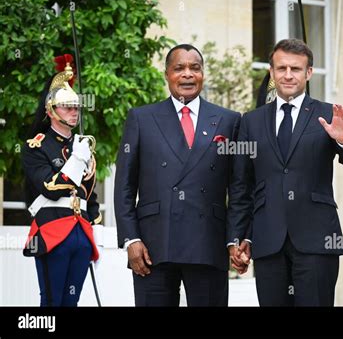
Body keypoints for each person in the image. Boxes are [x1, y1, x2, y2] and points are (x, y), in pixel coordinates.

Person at [227, 39, 343, 306]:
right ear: (271, 71)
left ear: (309, 73)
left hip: (318, 241)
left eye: (296, 69)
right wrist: (239, 237)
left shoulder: (327, 114)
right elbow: (241, 186)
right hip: (268, 243)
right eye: (281, 68)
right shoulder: (251, 121)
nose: (288, 75)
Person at [114, 44, 241, 306]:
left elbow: (239, 188)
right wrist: (131, 239)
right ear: (167, 74)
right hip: (152, 245)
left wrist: (235, 239)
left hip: (209, 242)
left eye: (195, 68)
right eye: (179, 68)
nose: (187, 74)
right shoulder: (141, 118)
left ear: (203, 74)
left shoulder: (229, 120)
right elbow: (124, 186)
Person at [22, 54, 103, 306]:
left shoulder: (81, 147)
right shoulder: (36, 146)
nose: (73, 112)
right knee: (52, 300)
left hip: (80, 232)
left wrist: (94, 224)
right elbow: (50, 187)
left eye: (76, 107)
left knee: (71, 302)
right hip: (51, 230)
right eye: (67, 107)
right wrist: (78, 161)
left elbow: (89, 195)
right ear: (51, 110)